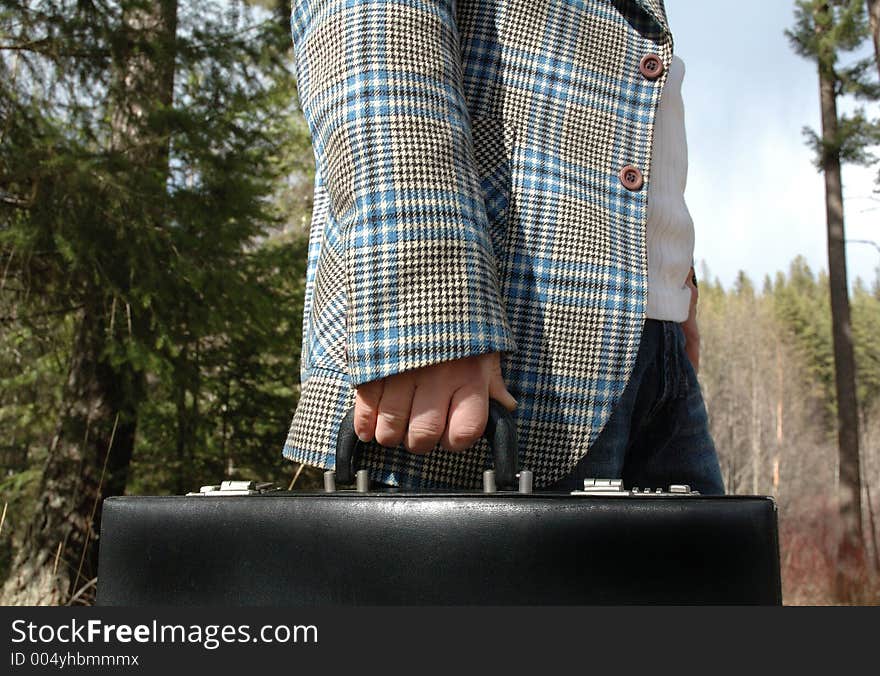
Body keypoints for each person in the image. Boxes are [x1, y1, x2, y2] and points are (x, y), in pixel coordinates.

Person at [283, 0, 725, 494]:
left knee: (716, 571)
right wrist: (427, 299)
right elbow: (370, 24)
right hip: (476, 353)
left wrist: (670, 276)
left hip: (655, 349)